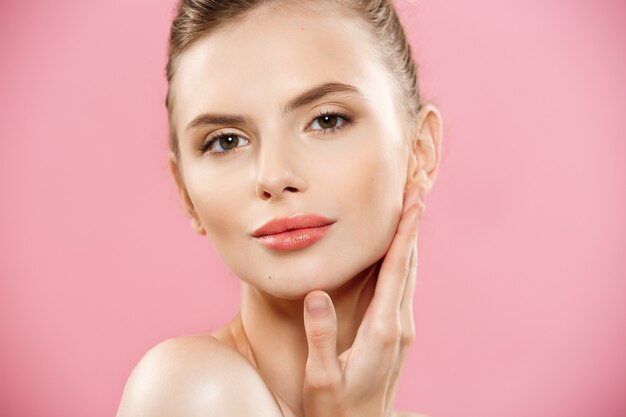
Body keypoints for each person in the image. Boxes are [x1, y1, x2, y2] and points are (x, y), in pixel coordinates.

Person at [116, 0, 442, 416]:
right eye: (226, 141)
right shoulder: (194, 392)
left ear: (421, 151)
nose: (273, 176)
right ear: (185, 192)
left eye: (326, 120)